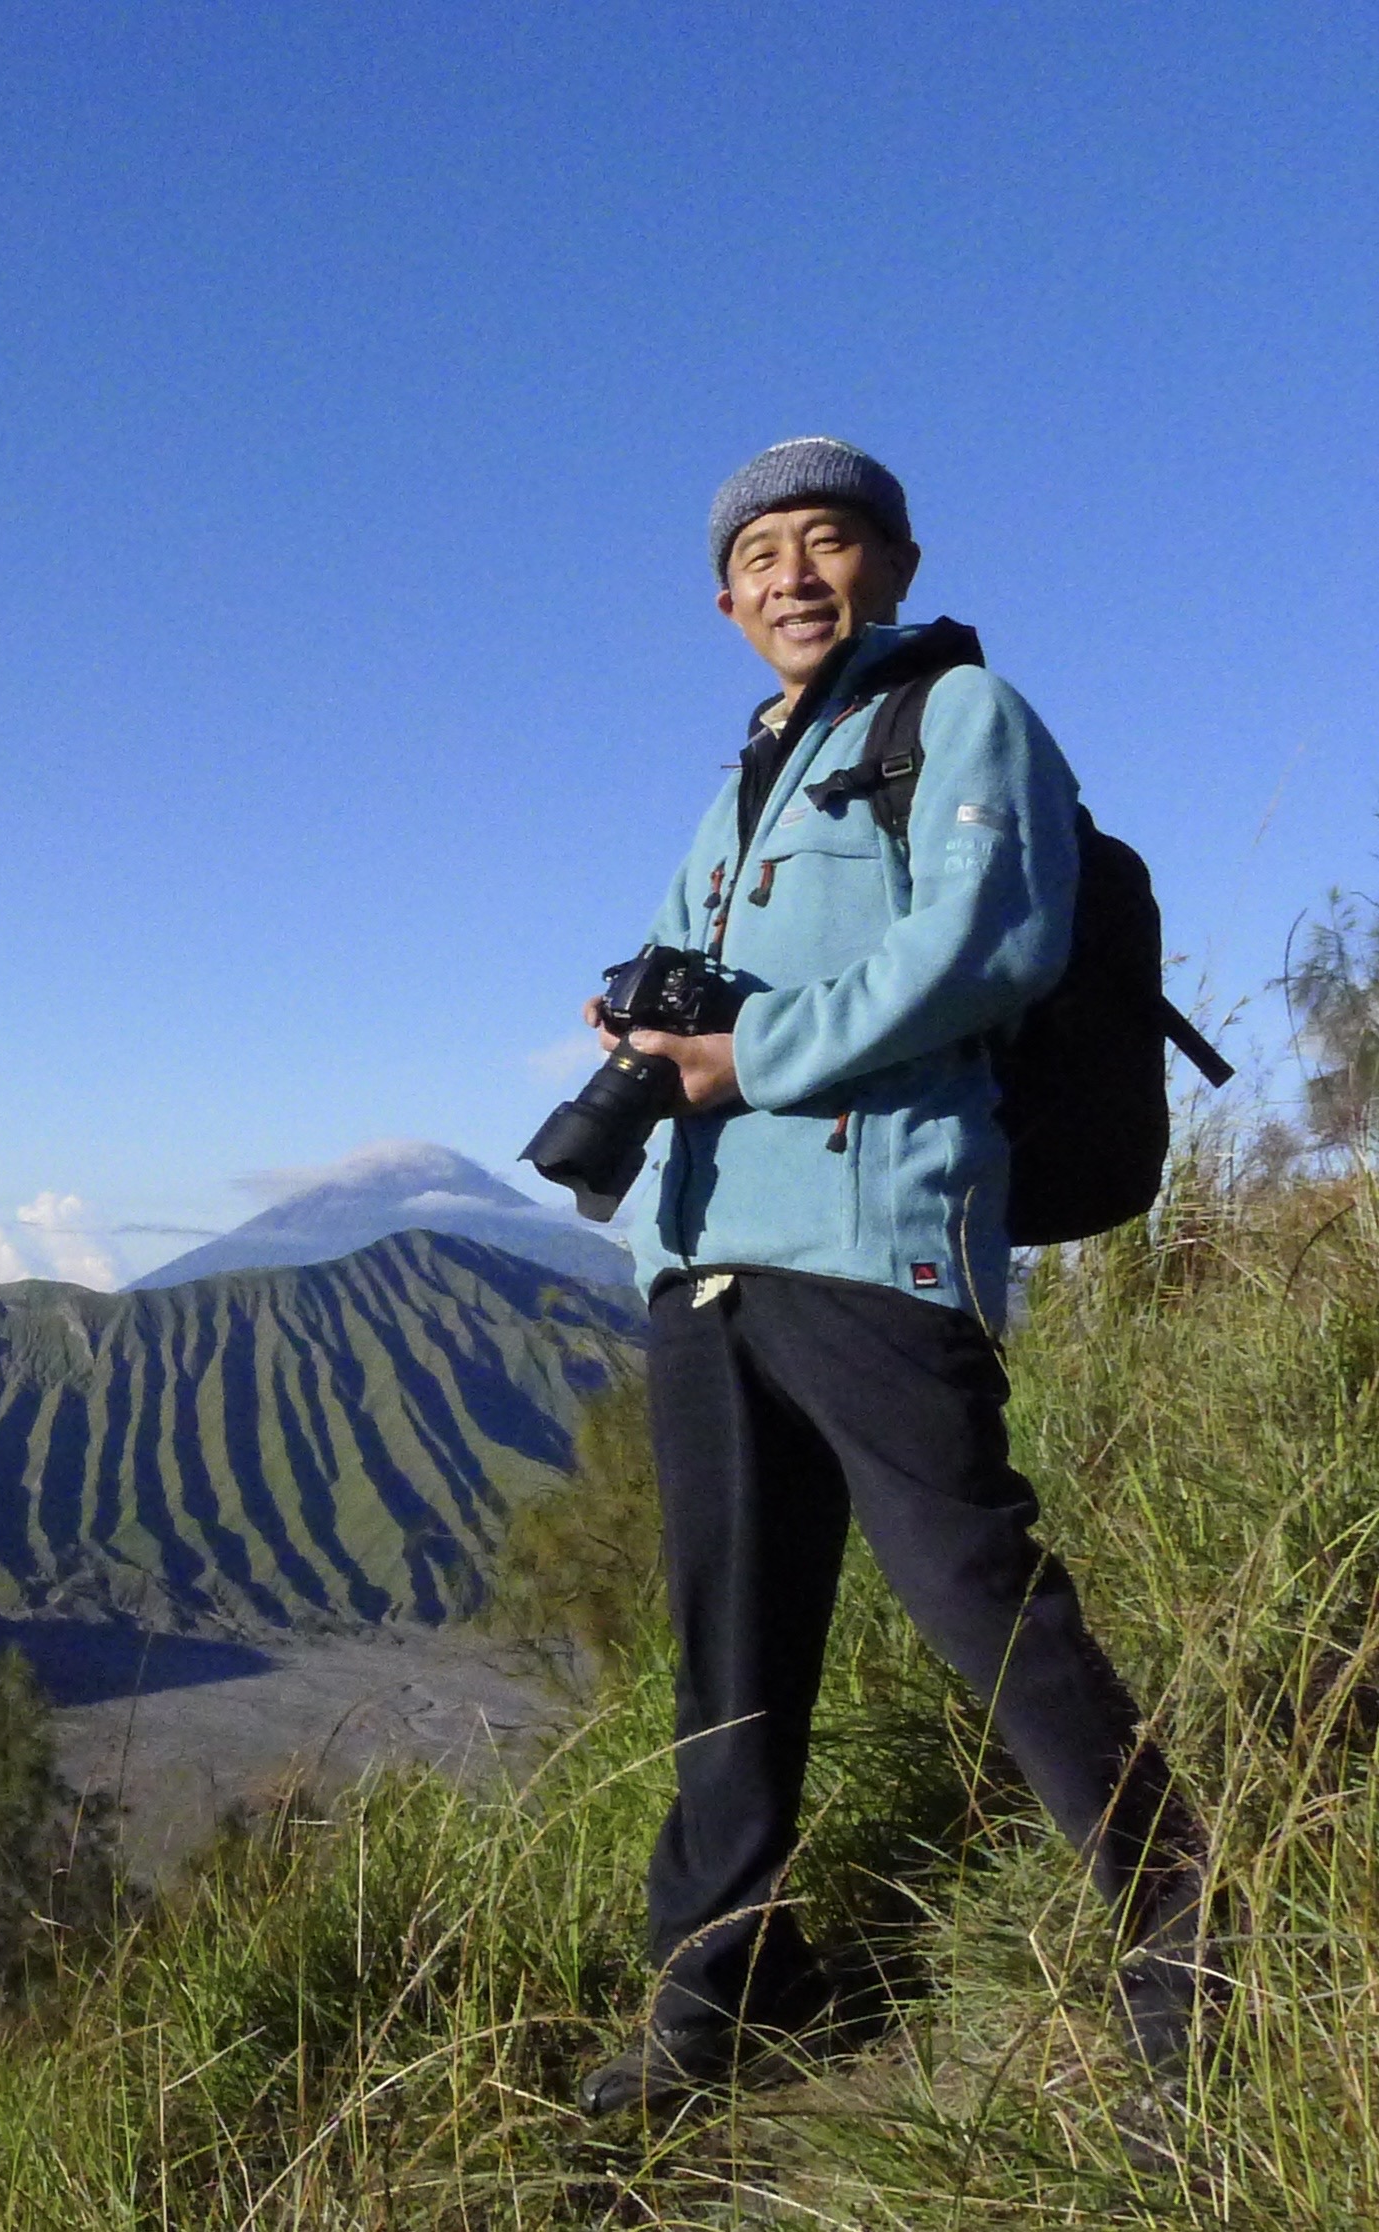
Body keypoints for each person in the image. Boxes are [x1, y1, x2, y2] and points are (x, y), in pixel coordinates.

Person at [575, 437, 1212, 2118]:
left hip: (871, 1238)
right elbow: (690, 997)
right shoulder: (738, 785)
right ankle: (720, 1993)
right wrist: (645, 1049)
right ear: (724, 604)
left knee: (979, 1602)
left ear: (899, 562)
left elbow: (987, 944)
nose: (796, 574)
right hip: (707, 1252)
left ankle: (1184, 1951)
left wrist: (747, 1051)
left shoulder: (963, 722)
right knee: (731, 1648)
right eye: (763, 555)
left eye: (831, 541)